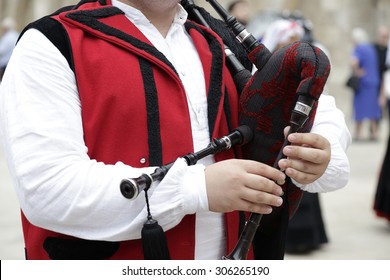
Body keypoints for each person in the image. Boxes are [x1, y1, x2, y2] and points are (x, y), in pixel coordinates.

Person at [0, 0, 348, 260]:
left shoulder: (223, 37)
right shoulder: (51, 43)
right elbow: (46, 189)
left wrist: (320, 152)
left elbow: (325, 111)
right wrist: (196, 188)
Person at [261, 17, 350, 254]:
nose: (293, 44)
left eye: (295, 40)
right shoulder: (263, 71)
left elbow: (325, 105)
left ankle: (308, 237)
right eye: (288, 41)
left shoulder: (310, 62)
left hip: (304, 139)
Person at [349, 27, 381, 141]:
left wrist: (357, 71)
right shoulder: (371, 48)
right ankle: (374, 133)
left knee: (360, 108)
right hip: (373, 82)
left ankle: (359, 134)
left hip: (363, 83)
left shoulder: (359, 49)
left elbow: (353, 62)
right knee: (373, 108)